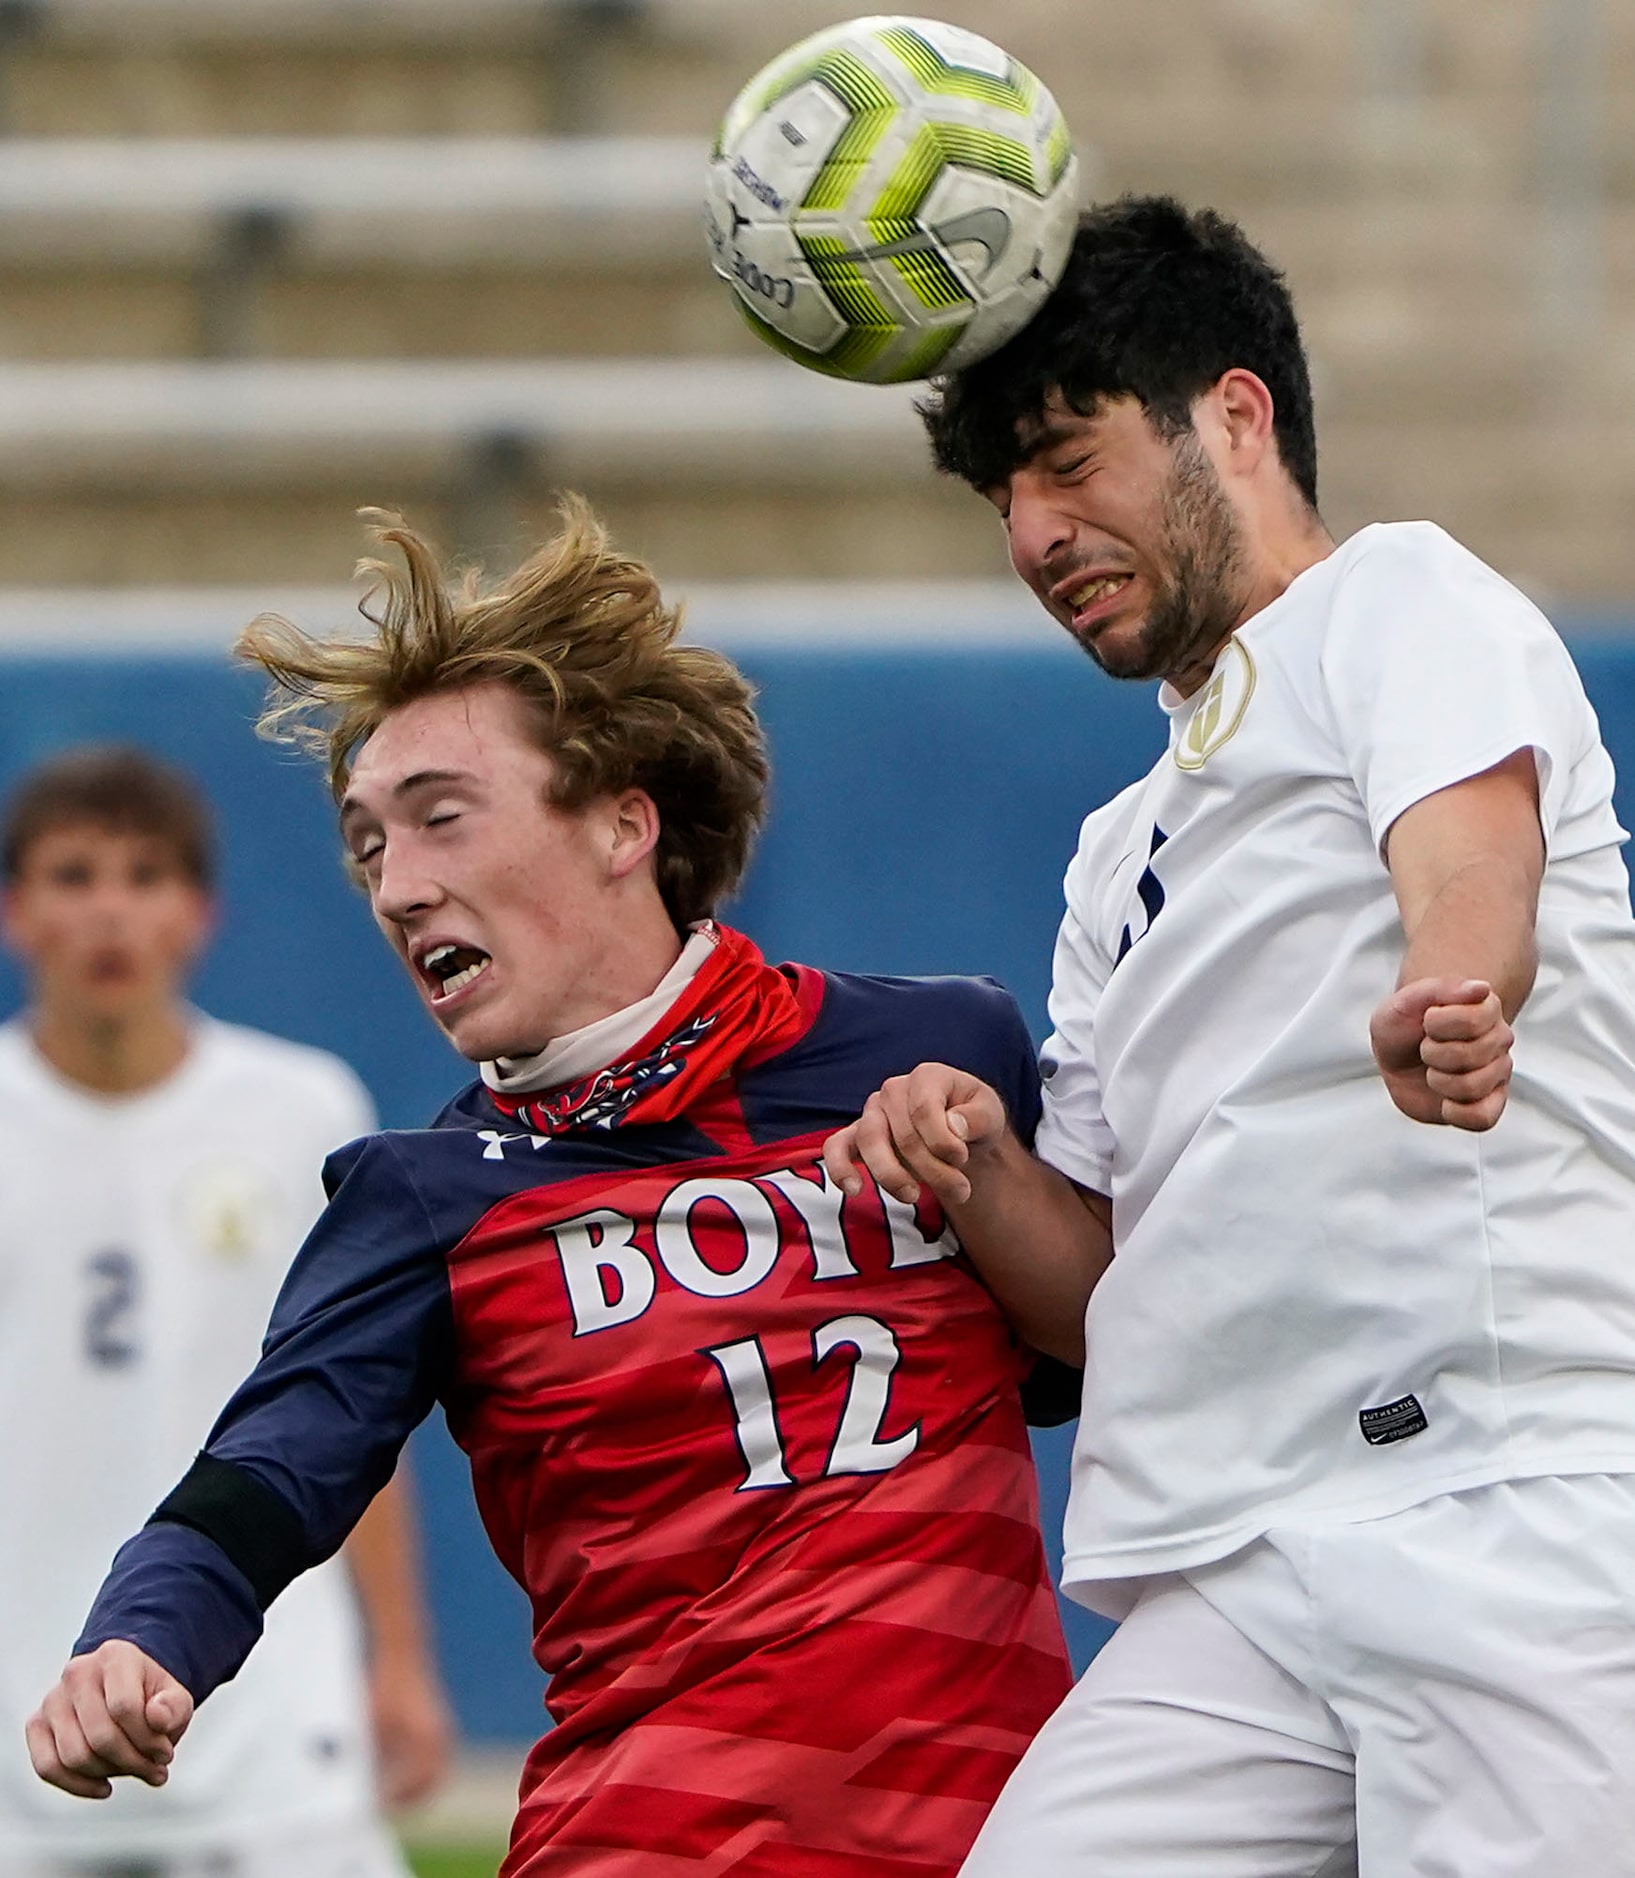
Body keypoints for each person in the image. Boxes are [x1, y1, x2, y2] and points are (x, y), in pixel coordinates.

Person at [25, 504, 1076, 1877]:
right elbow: (267, 1472)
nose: (398, 886)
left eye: (439, 820)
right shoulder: (426, 1199)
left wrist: (991, 1173)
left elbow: (1102, 1351)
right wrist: (139, 1639)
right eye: (367, 849)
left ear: (621, 822)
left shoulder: (941, 1056)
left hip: (990, 1838)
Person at [822, 193, 1635, 1876]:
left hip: (1498, 1498)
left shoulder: (1403, 599)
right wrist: (971, 1164)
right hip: (1236, 1569)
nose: (1037, 532)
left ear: (1237, 416)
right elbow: (1099, 1285)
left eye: (1070, 459)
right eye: (1004, 497)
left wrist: (1455, 988)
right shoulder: (1116, 849)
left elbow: (1475, 852)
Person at [0, 746, 452, 1878]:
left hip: (270, 1731)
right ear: (18, 912)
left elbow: (354, 1410)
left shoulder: (300, 1110)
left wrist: (399, 1657)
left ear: (197, 914)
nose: (110, 910)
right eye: (74, 875)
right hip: (22, 1731)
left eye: (145, 876)